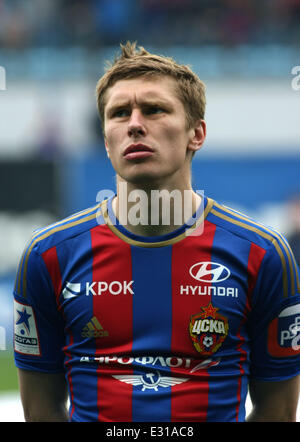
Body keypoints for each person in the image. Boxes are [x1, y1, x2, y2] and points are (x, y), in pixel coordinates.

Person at [14, 42, 300, 422]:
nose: (134, 123)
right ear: (106, 141)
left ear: (196, 134)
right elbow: (40, 410)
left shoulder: (263, 255)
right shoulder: (48, 255)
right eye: (119, 114)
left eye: (153, 110)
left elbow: (277, 410)